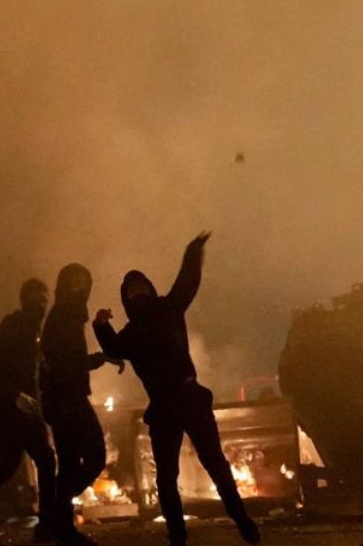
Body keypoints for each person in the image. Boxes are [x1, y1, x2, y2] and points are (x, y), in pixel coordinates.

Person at [93, 232, 260, 546]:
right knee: (166, 477)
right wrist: (100, 324)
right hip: (164, 407)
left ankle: (241, 519)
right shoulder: (131, 333)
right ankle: (177, 536)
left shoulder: (170, 308)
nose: (138, 293)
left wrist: (193, 251)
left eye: (141, 287)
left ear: (151, 289)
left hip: (190, 398)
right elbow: (114, 348)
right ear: (126, 300)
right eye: (131, 291)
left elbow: (187, 282)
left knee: (215, 463)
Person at [0, 278, 57, 541]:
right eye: (37, 298)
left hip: (17, 409)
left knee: (6, 467)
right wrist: (16, 395)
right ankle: (47, 525)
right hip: (9, 410)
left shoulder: (33, 330)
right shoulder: (13, 326)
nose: (41, 304)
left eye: (44, 299)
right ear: (25, 299)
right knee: (45, 460)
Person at [40, 263, 121, 546]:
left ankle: (57, 525)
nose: (80, 289)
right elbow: (63, 366)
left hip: (64, 399)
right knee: (95, 456)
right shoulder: (63, 316)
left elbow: (70, 363)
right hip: (67, 399)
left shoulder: (67, 316)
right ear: (63, 286)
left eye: (83, 284)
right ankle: (54, 518)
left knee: (71, 466)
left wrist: (101, 358)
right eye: (75, 284)